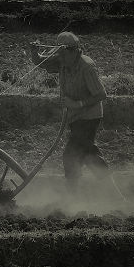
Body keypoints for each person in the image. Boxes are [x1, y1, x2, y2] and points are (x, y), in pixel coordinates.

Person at [29, 31, 109, 189]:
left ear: (74, 51)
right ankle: (110, 192)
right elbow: (40, 62)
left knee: (71, 155)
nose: (61, 58)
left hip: (89, 116)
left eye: (63, 54)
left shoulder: (86, 67)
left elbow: (101, 94)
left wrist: (77, 104)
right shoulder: (62, 61)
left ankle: (74, 194)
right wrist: (34, 51)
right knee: (87, 153)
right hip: (75, 117)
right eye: (59, 54)